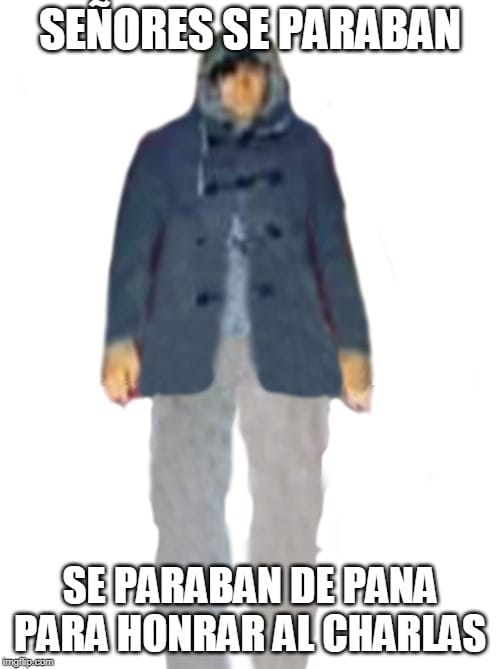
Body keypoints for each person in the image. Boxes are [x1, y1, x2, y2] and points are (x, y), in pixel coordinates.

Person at [102, 33, 371, 669]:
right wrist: (120, 340)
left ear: (272, 79)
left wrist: (352, 348)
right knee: (186, 506)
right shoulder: (163, 153)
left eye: (255, 73)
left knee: (291, 505)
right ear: (210, 81)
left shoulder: (307, 153)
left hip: (290, 347)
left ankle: (281, 657)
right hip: (188, 348)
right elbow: (133, 253)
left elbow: (333, 253)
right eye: (230, 74)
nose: (243, 86)